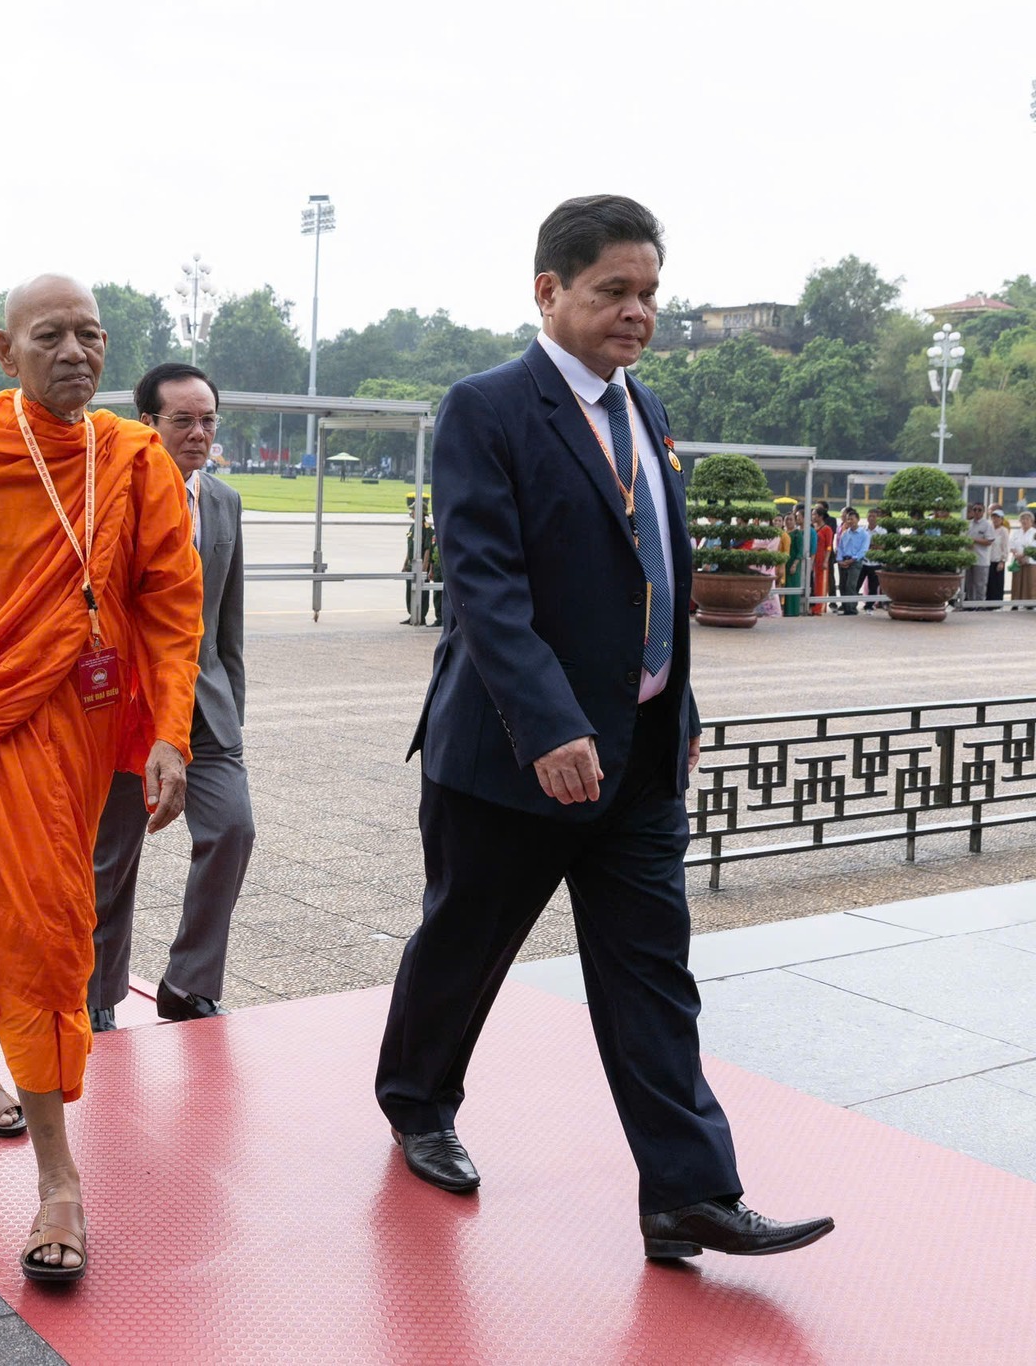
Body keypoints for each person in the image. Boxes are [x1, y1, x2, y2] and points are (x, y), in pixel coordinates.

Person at [376, 195, 832, 1262]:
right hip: (509, 757)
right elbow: (483, 585)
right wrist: (547, 724)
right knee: (464, 943)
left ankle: (686, 1193)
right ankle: (415, 1101)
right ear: (548, 291)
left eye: (649, 296)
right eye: (613, 292)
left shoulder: (648, 410)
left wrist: (677, 708)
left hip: (634, 765)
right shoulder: (484, 407)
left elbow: (652, 583)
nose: (637, 315)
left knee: (650, 975)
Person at [0, 276, 202, 1283]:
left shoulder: (131, 458)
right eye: (49, 335)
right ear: (2, 348)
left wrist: (170, 733)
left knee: (17, 916)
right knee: (38, 931)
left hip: (75, 727)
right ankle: (58, 1181)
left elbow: (168, 604)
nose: (74, 352)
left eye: (89, 335)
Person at [90, 361, 252, 1031]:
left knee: (232, 829)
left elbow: (227, 623)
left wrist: (231, 713)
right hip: (127, 710)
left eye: (208, 420)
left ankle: (189, 983)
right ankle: (96, 997)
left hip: (205, 708)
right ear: (147, 425)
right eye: (182, 420)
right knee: (110, 858)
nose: (198, 433)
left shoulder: (223, 502)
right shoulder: (107, 502)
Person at [833, 506, 869, 616]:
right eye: (848, 519)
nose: (850, 521)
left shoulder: (864, 534)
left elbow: (863, 550)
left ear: (857, 519)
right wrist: (840, 560)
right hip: (844, 561)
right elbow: (840, 548)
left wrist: (852, 560)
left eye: (852, 519)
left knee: (851, 585)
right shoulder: (845, 533)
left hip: (855, 562)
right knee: (843, 585)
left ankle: (852, 608)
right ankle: (845, 607)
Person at [964, 502, 994, 607]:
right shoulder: (968, 524)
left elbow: (989, 541)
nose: (976, 512)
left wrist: (974, 540)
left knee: (980, 584)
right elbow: (964, 538)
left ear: (983, 511)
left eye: (979, 510)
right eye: (975, 509)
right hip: (969, 558)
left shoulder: (987, 525)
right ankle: (970, 605)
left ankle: (980, 605)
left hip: (981, 559)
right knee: (969, 584)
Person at [1010, 510, 1036, 608]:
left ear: (1031, 521)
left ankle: (1030, 604)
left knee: (1030, 582)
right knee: (1017, 582)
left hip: (1030, 561)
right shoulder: (1017, 532)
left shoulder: (1034, 532)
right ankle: (1015, 603)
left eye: (1027, 519)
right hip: (1017, 561)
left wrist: (1024, 555)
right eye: (1022, 519)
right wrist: (1016, 554)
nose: (1024, 521)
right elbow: (1011, 544)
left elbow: (1033, 546)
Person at [987, 508, 1011, 604]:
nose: (995, 519)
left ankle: (996, 603)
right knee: (989, 582)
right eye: (994, 517)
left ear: (1001, 519)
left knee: (997, 582)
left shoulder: (1003, 530)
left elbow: (1005, 546)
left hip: (998, 560)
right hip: (988, 559)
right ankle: (987, 602)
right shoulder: (989, 529)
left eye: (998, 517)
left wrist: (1003, 560)